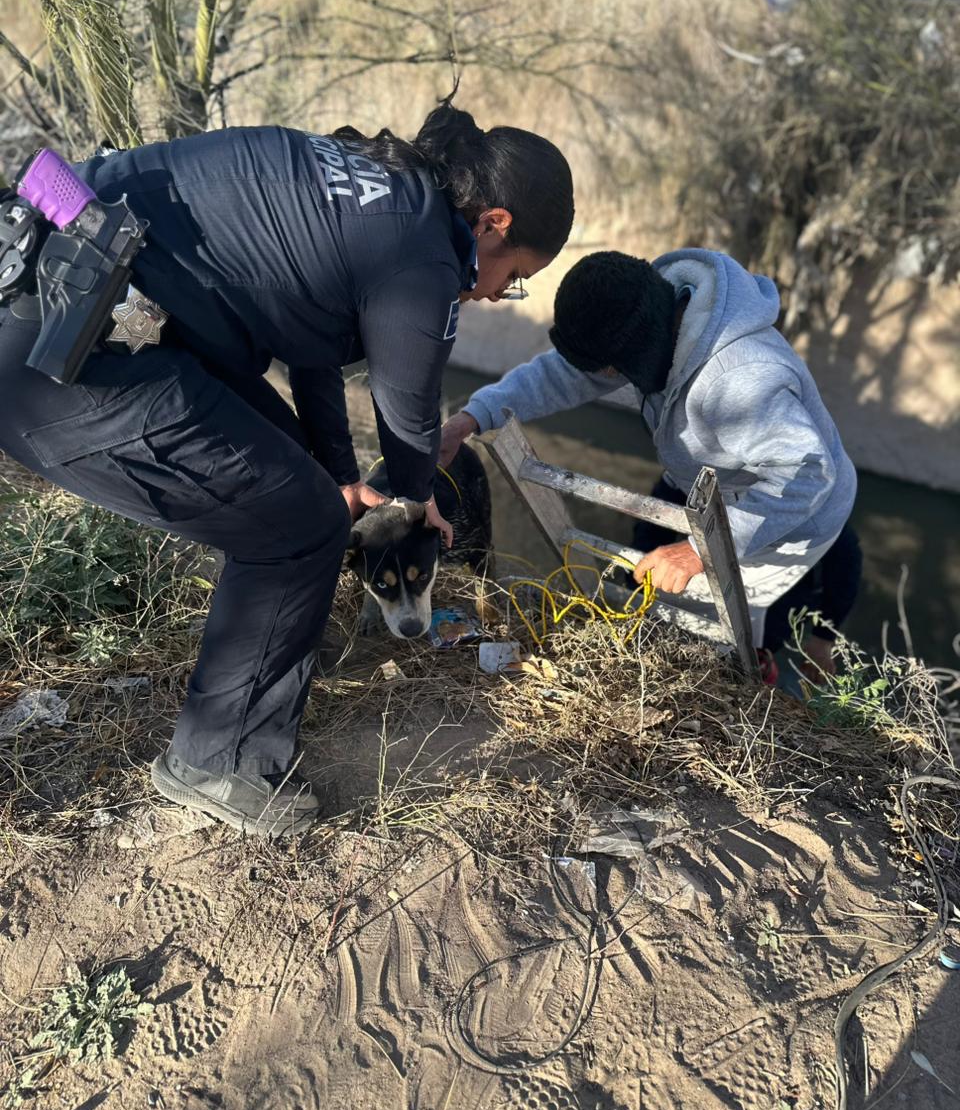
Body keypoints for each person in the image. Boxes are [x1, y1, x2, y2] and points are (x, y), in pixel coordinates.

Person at [0, 99, 574, 835]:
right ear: (493, 223)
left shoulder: (380, 184)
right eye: (513, 276)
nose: (496, 295)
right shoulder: (424, 255)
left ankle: (278, 644)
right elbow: (408, 409)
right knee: (299, 523)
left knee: (308, 488)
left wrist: (341, 476)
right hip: (58, 350)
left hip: (69, 287)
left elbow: (313, 355)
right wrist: (413, 499)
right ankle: (221, 760)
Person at [440, 248, 861, 679]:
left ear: (633, 355)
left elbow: (809, 474)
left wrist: (697, 551)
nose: (605, 377)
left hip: (793, 513)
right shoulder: (652, 315)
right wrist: (472, 417)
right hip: (710, 478)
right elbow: (563, 374)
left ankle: (748, 679)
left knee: (718, 629)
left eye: (609, 370)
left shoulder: (742, 380)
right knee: (663, 580)